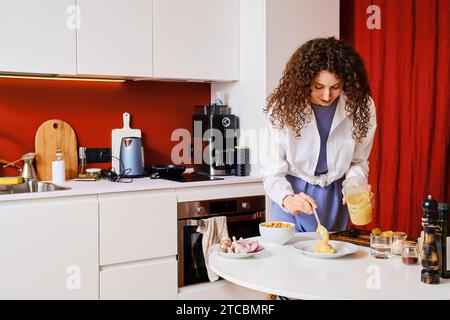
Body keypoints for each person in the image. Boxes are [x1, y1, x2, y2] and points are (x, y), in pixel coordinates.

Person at [262, 37, 377, 233]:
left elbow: (358, 161)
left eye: (335, 87)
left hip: (334, 198)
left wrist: (355, 187)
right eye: (318, 87)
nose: (327, 96)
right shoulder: (282, 108)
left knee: (331, 256)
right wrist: (287, 199)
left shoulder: (361, 106)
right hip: (292, 195)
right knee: (288, 260)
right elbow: (273, 169)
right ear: (304, 80)